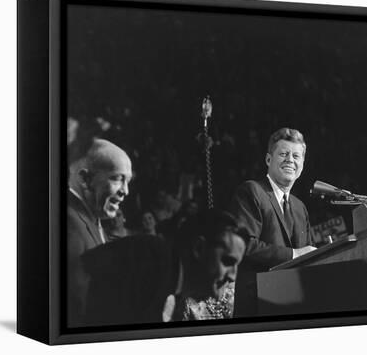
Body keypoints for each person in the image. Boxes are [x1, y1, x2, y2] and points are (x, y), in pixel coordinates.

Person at [81, 209, 249, 326]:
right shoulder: (149, 256)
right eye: (227, 261)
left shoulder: (175, 286)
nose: (233, 276)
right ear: (199, 249)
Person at [228, 127, 316, 317]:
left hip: (295, 306)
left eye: (296, 156)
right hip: (257, 306)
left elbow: (310, 255)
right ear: (268, 159)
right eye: (283, 154)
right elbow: (244, 245)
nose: (290, 160)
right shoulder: (252, 191)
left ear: (302, 165)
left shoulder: (301, 208)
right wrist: (294, 254)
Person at [67, 138, 133, 327]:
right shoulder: (70, 226)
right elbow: (78, 308)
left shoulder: (92, 220)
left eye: (127, 181)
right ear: (85, 179)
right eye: (117, 178)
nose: (125, 191)